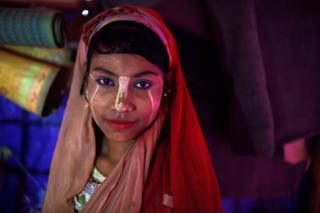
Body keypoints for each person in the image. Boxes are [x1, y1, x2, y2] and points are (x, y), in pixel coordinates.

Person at [42, 5, 222, 212]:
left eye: (142, 84)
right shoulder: (72, 160)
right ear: (84, 84)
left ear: (166, 89)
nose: (121, 104)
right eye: (105, 81)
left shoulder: (178, 181)